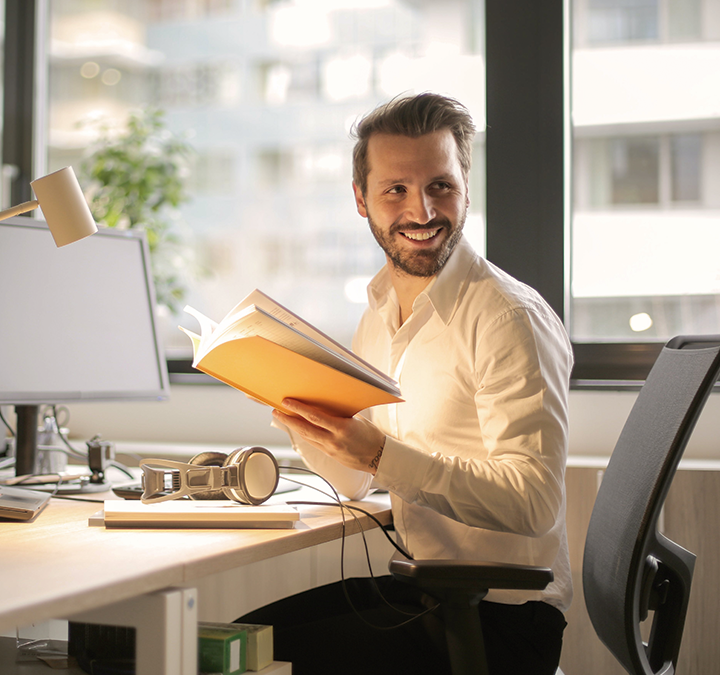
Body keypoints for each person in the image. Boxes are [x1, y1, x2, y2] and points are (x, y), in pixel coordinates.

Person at [240, 93, 573, 675]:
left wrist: (381, 453)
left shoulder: (506, 317)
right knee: (235, 642)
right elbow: (349, 482)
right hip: (427, 593)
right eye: (396, 189)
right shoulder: (380, 310)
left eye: (440, 185)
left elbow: (534, 502)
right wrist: (296, 410)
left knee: (238, 662)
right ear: (361, 200)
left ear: (466, 186)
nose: (421, 211)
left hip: (501, 621)